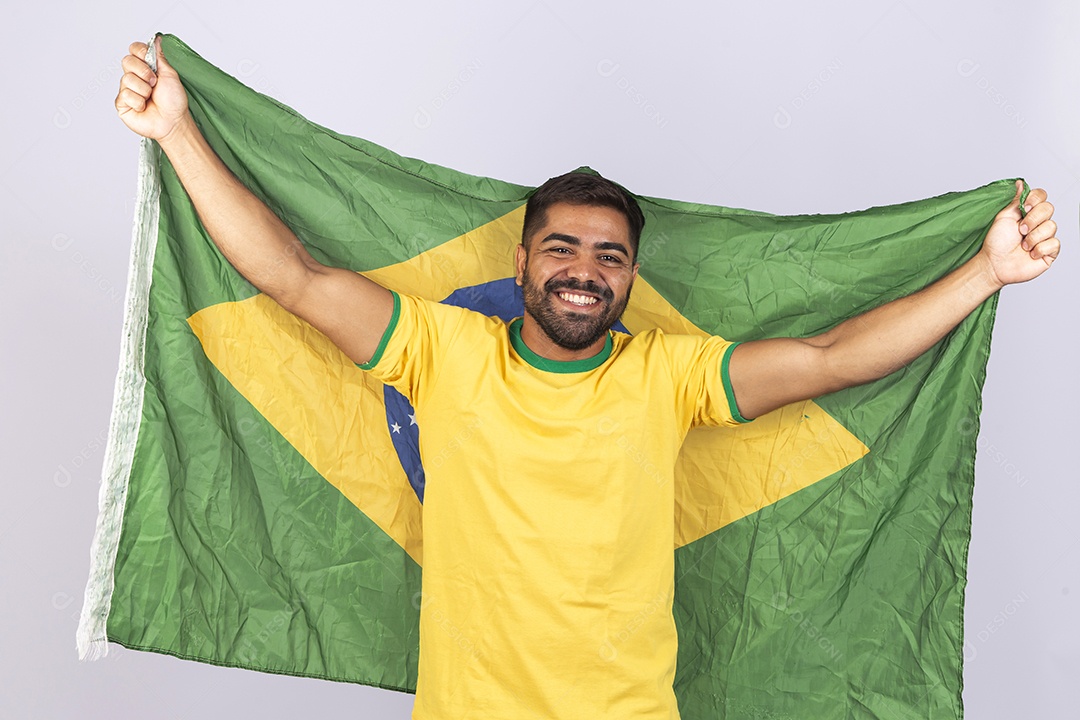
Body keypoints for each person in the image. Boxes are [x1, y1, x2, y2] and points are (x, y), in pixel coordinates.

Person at [116, 37, 1059, 720]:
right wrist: (180, 135)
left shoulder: (669, 375)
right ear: (521, 265)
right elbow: (293, 277)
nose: (584, 268)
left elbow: (830, 359)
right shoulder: (443, 350)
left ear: (630, 279)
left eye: (610, 256)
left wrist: (987, 273)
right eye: (561, 247)